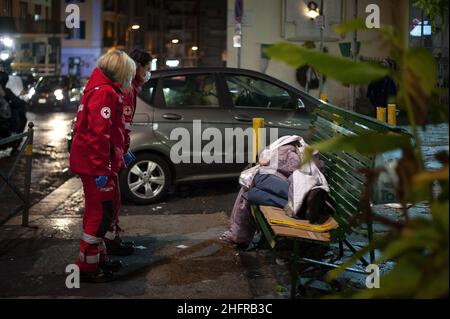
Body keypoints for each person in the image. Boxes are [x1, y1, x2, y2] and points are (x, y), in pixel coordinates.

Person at [69, 50, 136, 282]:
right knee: (100, 214)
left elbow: (106, 133)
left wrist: (119, 155)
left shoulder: (98, 88)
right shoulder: (105, 93)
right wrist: (101, 169)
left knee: (101, 212)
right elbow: (99, 136)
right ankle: (87, 268)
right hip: (96, 166)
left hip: (95, 164)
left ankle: (97, 260)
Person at [103, 49, 152, 256]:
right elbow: (118, 126)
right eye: (147, 68)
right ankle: (107, 244)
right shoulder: (126, 89)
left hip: (114, 152)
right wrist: (120, 151)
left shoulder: (130, 88)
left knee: (114, 200)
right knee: (107, 202)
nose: (149, 72)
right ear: (137, 66)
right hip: (109, 156)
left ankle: (112, 239)